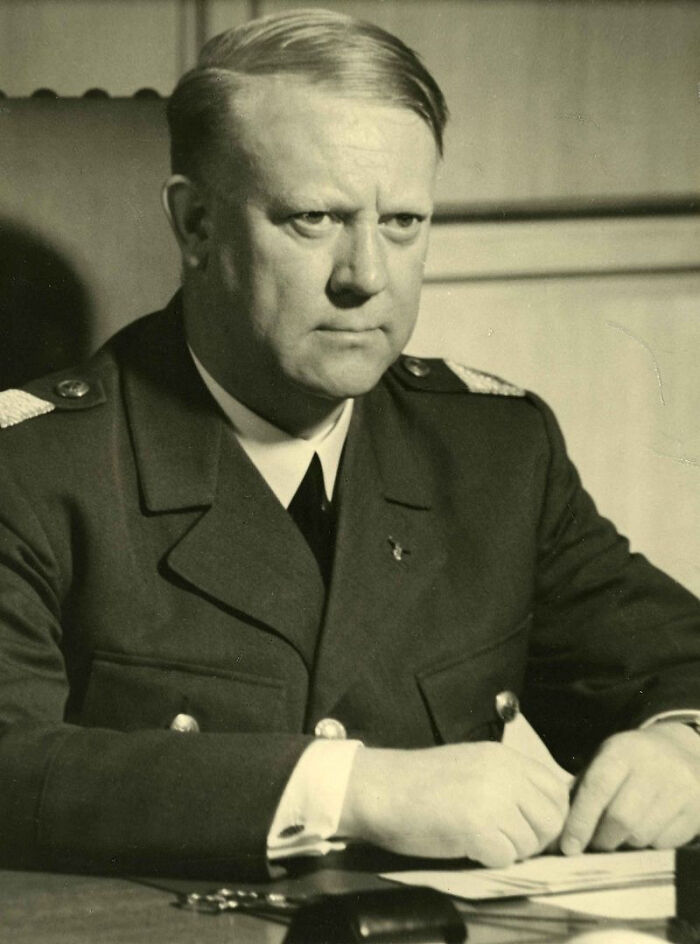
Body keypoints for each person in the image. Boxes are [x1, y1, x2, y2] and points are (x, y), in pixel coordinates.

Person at [1, 8, 699, 879]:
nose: (366, 276)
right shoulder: (33, 472)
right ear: (196, 228)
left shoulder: (492, 452)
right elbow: (11, 763)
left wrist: (683, 748)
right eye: (313, 219)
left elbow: (678, 658)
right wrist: (353, 789)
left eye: (402, 222)